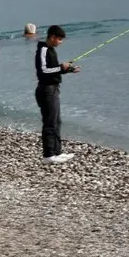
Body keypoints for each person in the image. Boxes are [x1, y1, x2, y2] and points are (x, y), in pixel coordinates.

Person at [35, 24, 80, 164]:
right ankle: (48, 155)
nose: (61, 42)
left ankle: (57, 152)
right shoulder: (42, 50)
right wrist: (61, 67)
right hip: (46, 90)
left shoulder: (52, 50)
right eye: (59, 39)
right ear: (52, 37)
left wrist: (68, 70)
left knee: (56, 121)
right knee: (49, 122)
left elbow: (54, 70)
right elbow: (43, 71)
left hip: (54, 89)